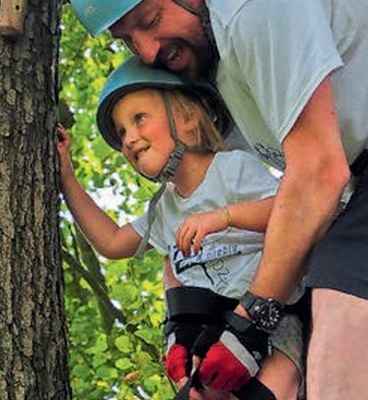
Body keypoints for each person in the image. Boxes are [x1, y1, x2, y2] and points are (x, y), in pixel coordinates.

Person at [71, 0, 368, 398]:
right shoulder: (229, 86)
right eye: (128, 40)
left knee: (347, 280)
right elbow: (281, 225)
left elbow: (318, 175)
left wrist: (251, 319)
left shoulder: (249, 11)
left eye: (150, 20)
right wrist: (205, 335)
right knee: (336, 347)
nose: (148, 50)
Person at [55, 57, 306, 399]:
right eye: (121, 132)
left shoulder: (230, 169)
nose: (129, 139)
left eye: (139, 118)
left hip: (272, 316)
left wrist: (224, 217)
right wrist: (66, 178)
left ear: (188, 119)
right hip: (212, 329)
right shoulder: (163, 208)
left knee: (272, 390)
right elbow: (112, 242)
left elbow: (291, 212)